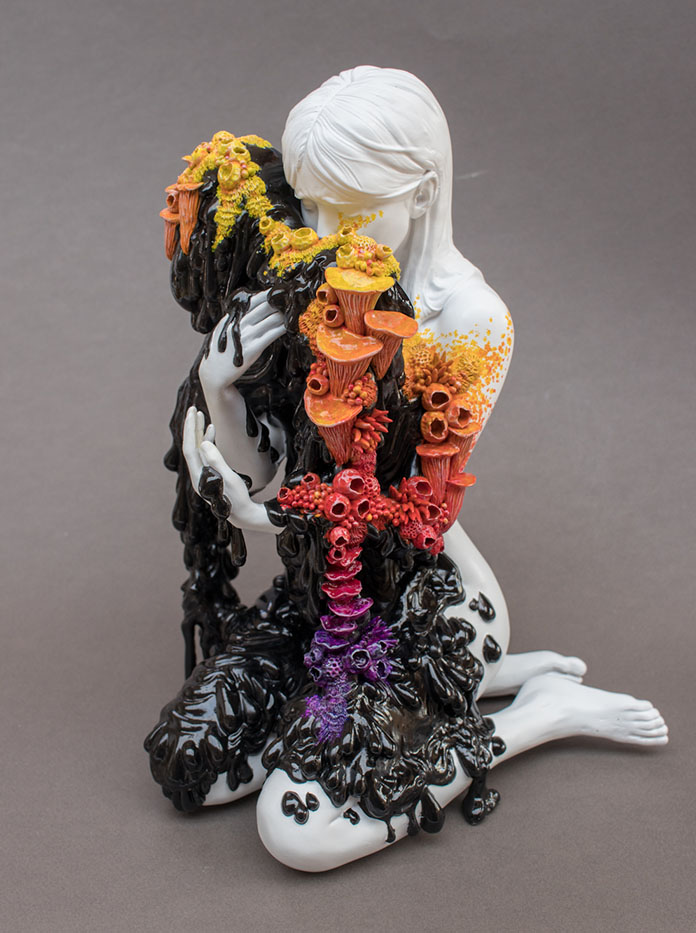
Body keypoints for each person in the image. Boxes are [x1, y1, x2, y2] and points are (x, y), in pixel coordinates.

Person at [171, 67, 666, 871]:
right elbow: (279, 466)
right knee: (198, 766)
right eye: (310, 206)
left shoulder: (471, 320)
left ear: (425, 191)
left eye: (350, 209)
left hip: (426, 594)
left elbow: (409, 514)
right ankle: (471, 681)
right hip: (323, 589)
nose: (323, 232)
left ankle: (538, 712)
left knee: (297, 831)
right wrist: (222, 388)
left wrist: (257, 514)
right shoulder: (319, 287)